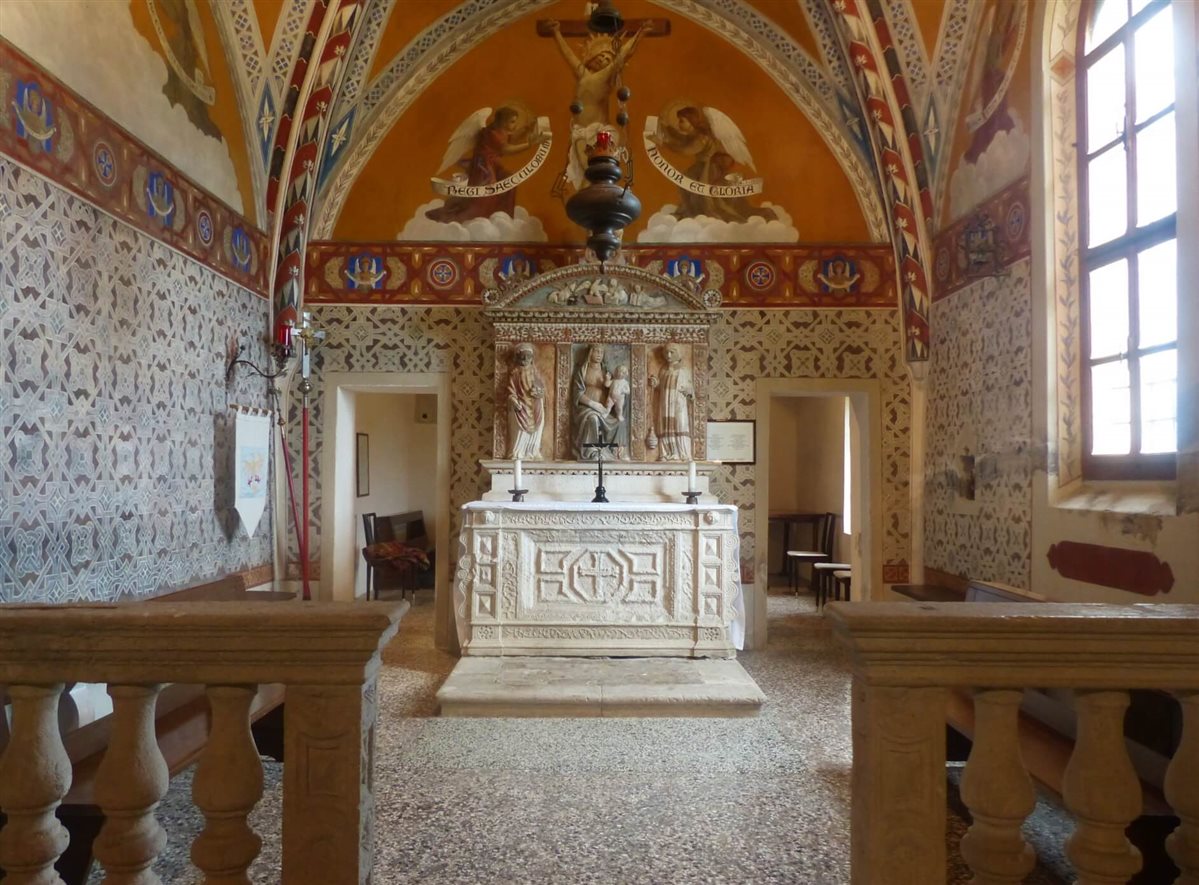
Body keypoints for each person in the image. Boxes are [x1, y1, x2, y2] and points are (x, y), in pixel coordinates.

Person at [546, 19, 650, 187]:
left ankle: (602, 195)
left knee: (596, 174)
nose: (603, 59)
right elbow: (568, 55)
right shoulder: (583, 74)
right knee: (585, 173)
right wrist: (556, 33)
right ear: (591, 58)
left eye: (608, 58)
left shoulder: (605, 76)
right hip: (580, 132)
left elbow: (624, 54)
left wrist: (640, 33)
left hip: (600, 133)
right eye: (600, 56)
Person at [427, 106, 547, 223]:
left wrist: (528, 129)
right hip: (483, 167)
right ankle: (479, 218)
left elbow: (514, 137)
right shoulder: (491, 133)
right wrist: (530, 145)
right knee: (488, 192)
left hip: (493, 165)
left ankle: (502, 215)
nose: (515, 125)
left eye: (515, 122)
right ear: (502, 121)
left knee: (509, 180)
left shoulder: (502, 131)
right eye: (512, 122)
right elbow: (507, 149)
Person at [571, 344, 624, 460]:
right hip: (586, 408)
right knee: (593, 419)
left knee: (619, 421)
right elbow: (577, 394)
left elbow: (614, 388)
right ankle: (592, 451)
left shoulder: (606, 372)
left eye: (601, 352)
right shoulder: (583, 371)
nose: (599, 354)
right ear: (590, 353)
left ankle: (616, 451)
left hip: (604, 409)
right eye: (596, 351)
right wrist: (593, 404)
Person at [650, 343, 693, 461]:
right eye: (666, 353)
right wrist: (656, 383)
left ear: (678, 353)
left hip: (678, 403)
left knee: (679, 424)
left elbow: (691, 391)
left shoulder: (684, 370)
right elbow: (661, 386)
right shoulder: (663, 370)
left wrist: (688, 392)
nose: (668, 355)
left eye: (672, 352)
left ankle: (682, 453)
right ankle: (666, 452)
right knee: (665, 425)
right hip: (665, 403)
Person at [506, 343, 546, 459]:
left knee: (537, 429)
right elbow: (511, 391)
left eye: (528, 356)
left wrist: (539, 392)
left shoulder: (535, 373)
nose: (525, 358)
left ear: (532, 358)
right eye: (522, 356)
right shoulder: (515, 374)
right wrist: (513, 400)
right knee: (520, 431)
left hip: (536, 406)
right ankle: (519, 452)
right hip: (521, 407)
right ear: (518, 358)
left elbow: (542, 389)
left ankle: (532, 451)